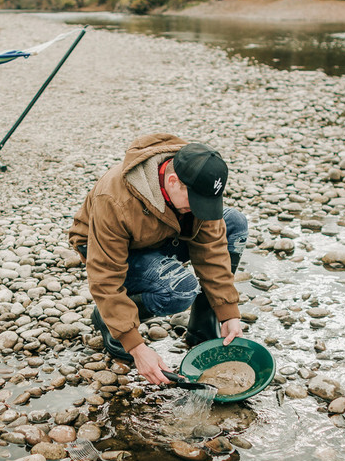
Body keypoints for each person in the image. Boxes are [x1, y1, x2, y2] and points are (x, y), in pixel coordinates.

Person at [68, 134, 248, 387]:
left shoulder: (197, 175)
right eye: (195, 203)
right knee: (179, 289)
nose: (199, 210)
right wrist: (136, 346)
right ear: (173, 181)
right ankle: (108, 319)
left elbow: (212, 249)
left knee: (234, 223)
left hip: (160, 235)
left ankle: (203, 326)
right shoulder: (114, 199)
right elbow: (105, 276)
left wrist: (228, 313)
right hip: (109, 248)